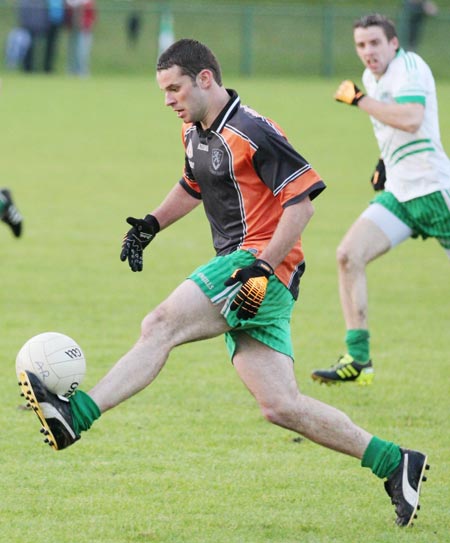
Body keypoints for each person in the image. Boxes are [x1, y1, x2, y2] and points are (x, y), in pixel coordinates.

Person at [19, 38, 429, 528]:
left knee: (161, 324)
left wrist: (262, 265)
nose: (169, 99)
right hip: (254, 271)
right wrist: (151, 224)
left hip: (256, 263)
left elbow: (302, 203)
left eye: (175, 88)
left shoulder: (252, 130)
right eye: (163, 91)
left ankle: (76, 416)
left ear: (205, 79)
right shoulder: (194, 130)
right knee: (281, 405)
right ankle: (395, 461)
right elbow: (194, 183)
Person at [311, 13, 450, 386]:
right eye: (361, 45)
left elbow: (411, 119)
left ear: (393, 43)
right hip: (401, 195)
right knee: (348, 255)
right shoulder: (374, 78)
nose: (368, 52)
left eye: (375, 43)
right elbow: (395, 130)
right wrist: (384, 163)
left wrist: (359, 100)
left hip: (434, 192)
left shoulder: (410, 66)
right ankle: (358, 360)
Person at [65, 0, 96, 76]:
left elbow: (92, 16)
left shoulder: (88, 2)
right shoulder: (71, 3)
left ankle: (82, 71)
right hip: (74, 29)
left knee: (82, 51)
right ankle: (72, 70)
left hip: (85, 30)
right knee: (73, 51)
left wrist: (86, 25)